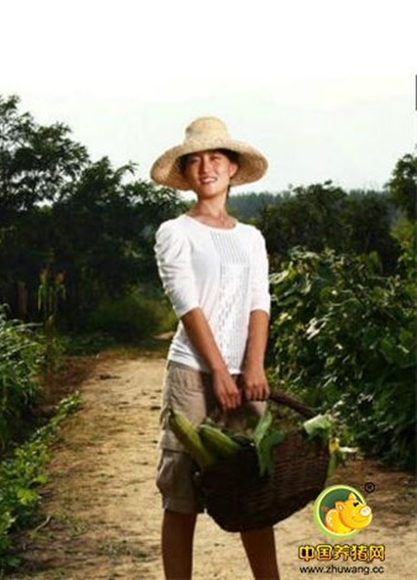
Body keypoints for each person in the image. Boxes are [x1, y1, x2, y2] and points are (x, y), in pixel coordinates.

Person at [150, 117, 279, 579]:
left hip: (245, 378)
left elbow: (259, 303)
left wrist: (253, 366)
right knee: (182, 495)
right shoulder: (175, 231)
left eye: (216, 158)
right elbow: (187, 302)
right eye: (196, 160)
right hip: (191, 376)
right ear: (186, 173)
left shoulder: (251, 238)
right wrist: (220, 372)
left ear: (231, 168)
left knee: (255, 492)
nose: (206, 167)